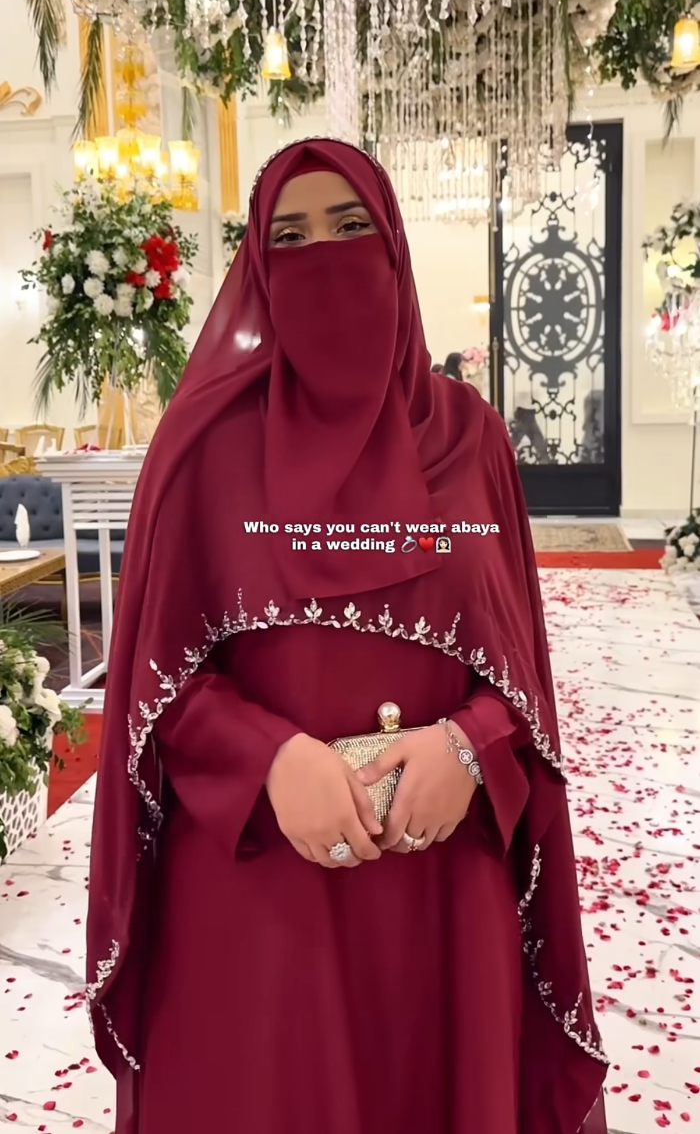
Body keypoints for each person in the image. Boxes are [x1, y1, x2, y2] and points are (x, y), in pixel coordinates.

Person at [86, 139, 608, 1134]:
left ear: (393, 247)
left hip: (439, 890)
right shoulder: (203, 451)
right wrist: (270, 758)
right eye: (288, 237)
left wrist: (468, 744)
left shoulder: (468, 438)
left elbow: (517, 670)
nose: (321, 255)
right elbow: (159, 683)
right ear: (255, 267)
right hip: (256, 884)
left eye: (349, 225)